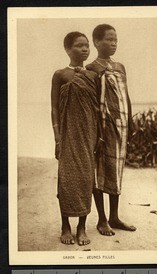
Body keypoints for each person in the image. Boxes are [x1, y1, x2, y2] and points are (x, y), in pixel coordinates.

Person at [86, 24, 137, 236]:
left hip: (121, 124)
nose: (114, 43)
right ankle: (102, 219)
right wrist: (96, 131)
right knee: (99, 171)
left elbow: (126, 95)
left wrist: (132, 122)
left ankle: (114, 216)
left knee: (116, 169)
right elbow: (92, 103)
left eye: (116, 39)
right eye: (109, 39)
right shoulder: (91, 69)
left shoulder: (120, 67)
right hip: (102, 126)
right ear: (97, 42)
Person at [51, 32, 99, 245]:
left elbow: (97, 109)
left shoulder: (93, 76)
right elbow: (54, 108)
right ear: (67, 49)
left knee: (86, 179)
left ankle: (81, 227)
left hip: (88, 134)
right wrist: (57, 138)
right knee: (66, 179)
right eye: (80, 45)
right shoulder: (60, 74)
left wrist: (98, 137)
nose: (85, 49)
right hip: (68, 135)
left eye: (87, 45)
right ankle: (65, 226)